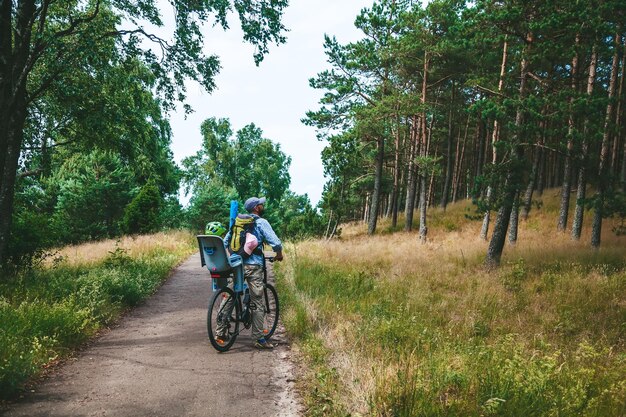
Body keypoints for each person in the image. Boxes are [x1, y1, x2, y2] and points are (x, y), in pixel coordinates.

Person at [224, 196, 283, 349]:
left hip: (236, 264)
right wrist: (279, 254)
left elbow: (225, 241)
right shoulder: (261, 222)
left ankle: (220, 331)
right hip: (254, 266)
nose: (263, 205)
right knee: (257, 301)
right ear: (256, 208)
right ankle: (258, 338)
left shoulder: (238, 221)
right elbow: (275, 242)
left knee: (230, 295)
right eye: (261, 204)